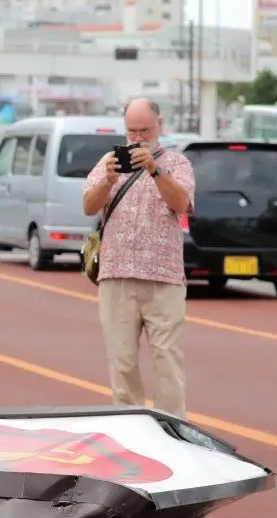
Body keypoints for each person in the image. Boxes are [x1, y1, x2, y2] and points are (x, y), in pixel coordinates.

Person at [81, 98, 195, 420]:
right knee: (123, 362)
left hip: (164, 279)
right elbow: (89, 206)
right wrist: (107, 180)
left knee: (167, 361)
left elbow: (181, 202)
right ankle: (131, 433)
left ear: (159, 125)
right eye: (132, 131)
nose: (138, 137)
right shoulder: (108, 162)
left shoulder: (178, 164)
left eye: (145, 130)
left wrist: (155, 170)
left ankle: (173, 432)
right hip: (116, 276)